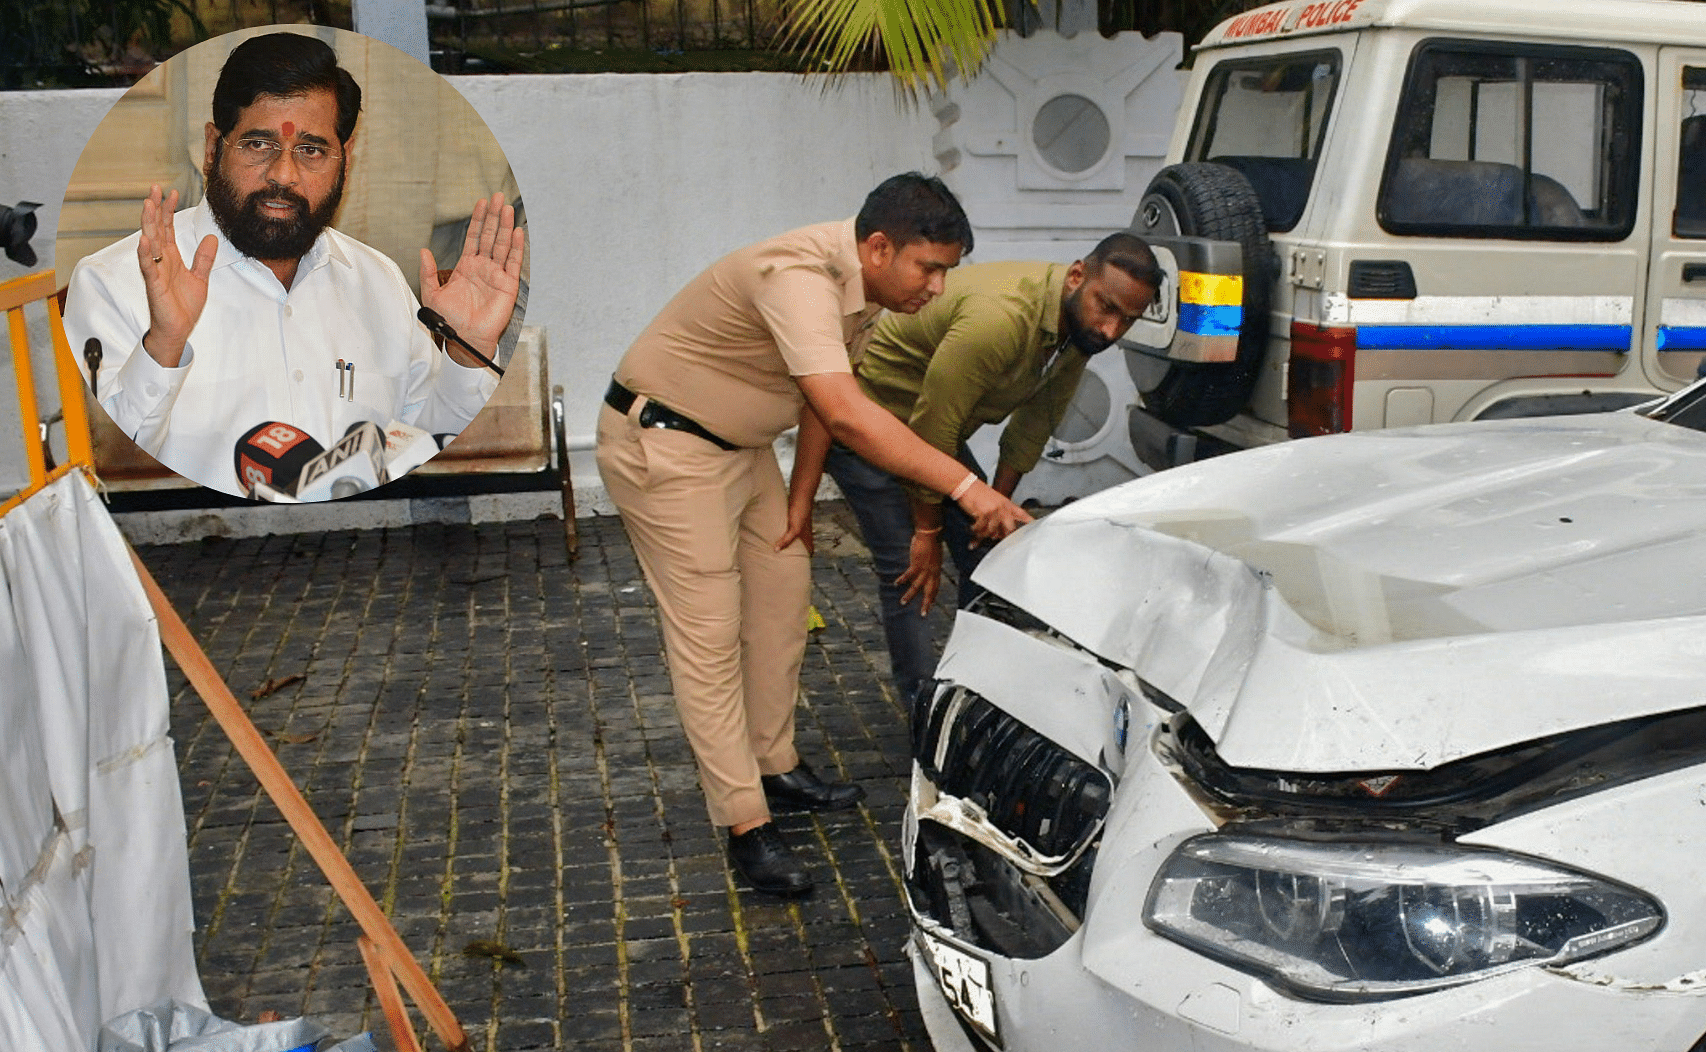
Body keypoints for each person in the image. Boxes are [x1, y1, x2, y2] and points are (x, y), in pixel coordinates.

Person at [597, 174, 1032, 899]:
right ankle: (745, 822)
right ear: (878, 246)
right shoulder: (797, 278)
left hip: (745, 450)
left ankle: (774, 762)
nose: (937, 287)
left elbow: (823, 400)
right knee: (709, 635)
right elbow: (851, 412)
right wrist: (968, 487)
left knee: (781, 605)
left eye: (947, 271)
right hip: (667, 446)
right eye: (929, 268)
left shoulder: (861, 286)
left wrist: (800, 500)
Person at [63, 32, 524, 498]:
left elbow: (428, 447)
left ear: (344, 162)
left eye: (311, 150)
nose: (283, 175)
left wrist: (467, 352)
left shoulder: (377, 280)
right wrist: (163, 344)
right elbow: (108, 483)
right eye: (258, 144)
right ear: (211, 149)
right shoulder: (112, 283)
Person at [785, 233, 1161, 709]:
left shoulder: (1078, 328)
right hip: (870, 423)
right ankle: (926, 713)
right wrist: (928, 529)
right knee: (910, 571)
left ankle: (979, 693)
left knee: (993, 561)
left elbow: (1034, 423)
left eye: (1127, 319)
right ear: (1076, 276)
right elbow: (933, 421)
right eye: (1105, 307)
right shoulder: (1000, 318)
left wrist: (994, 514)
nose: (1110, 329)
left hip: (932, 429)